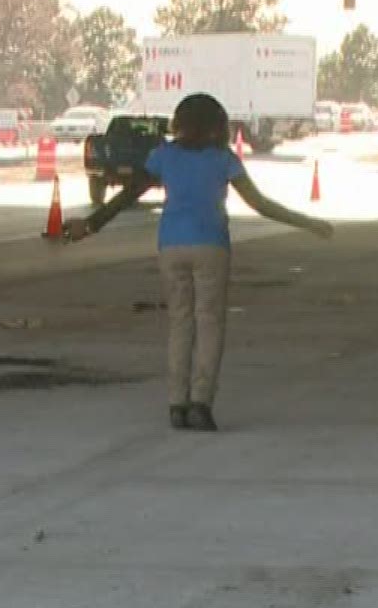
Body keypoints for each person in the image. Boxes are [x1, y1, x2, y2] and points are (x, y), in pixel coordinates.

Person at [63, 92, 334, 432]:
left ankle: (177, 403)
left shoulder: (163, 156)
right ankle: (200, 403)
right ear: (217, 125)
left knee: (180, 323)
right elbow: (260, 204)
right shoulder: (224, 160)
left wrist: (90, 225)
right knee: (209, 324)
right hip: (211, 246)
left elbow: (127, 194)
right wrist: (308, 222)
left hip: (171, 246)